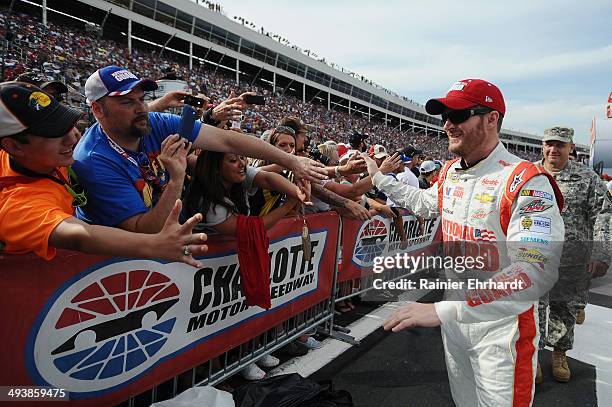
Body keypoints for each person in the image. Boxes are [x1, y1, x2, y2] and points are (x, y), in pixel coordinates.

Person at [364, 78, 565, 407]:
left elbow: (532, 271)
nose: (447, 125)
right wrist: (378, 178)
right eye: (444, 116)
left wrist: (443, 310)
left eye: (459, 115)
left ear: (491, 119)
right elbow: (426, 203)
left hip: (501, 330)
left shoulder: (526, 180)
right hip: (455, 326)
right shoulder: (450, 172)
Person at [72, 66, 326, 232]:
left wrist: (292, 162)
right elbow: (144, 229)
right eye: (127, 102)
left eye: (141, 99)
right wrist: (176, 179)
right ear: (97, 110)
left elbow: (228, 140)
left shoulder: (154, 123)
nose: (141, 108)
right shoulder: (95, 160)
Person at [0, 82, 207, 266]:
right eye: (54, 132)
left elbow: (113, 124)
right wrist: (156, 245)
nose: (72, 137)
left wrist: (155, 106)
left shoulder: (35, 154)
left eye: (67, 123)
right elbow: (81, 237)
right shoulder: (17, 206)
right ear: (14, 146)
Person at [534, 126, 610, 383]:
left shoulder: (587, 178)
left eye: (560, 145)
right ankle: (533, 356)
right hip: (534, 255)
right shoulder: (530, 174)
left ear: (571, 148)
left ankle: (559, 354)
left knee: (563, 308)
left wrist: (601, 252)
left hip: (572, 257)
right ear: (543, 146)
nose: (554, 149)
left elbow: (603, 213)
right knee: (533, 308)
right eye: (549, 144)